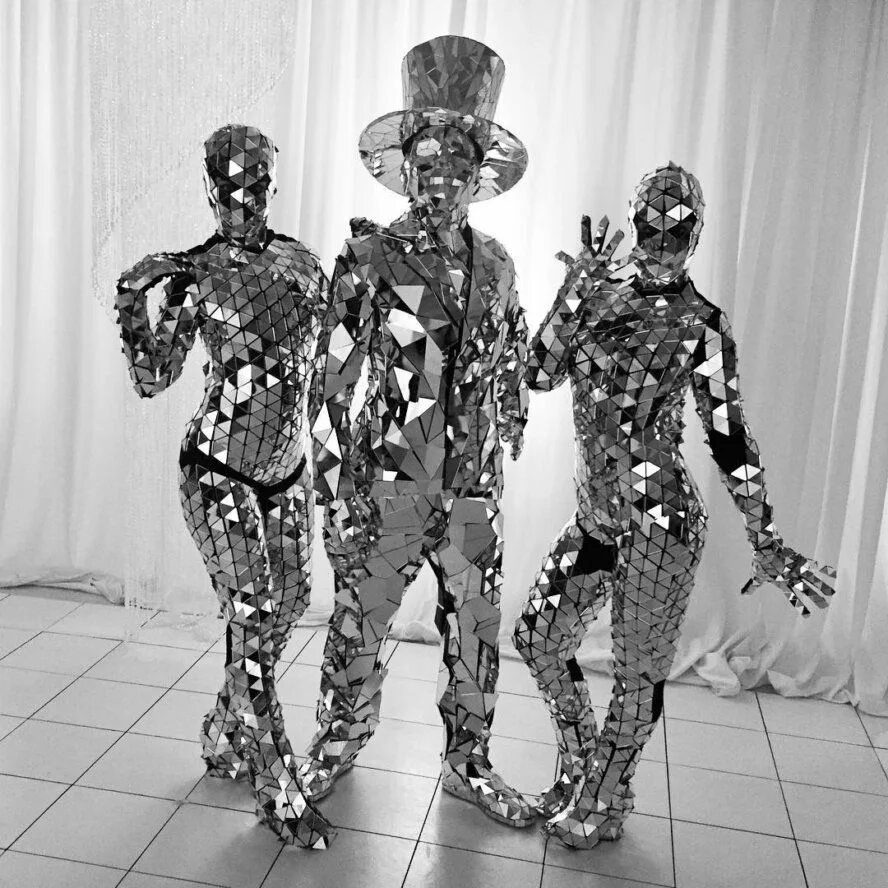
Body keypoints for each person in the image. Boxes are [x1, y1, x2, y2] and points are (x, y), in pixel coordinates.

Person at [513, 162, 836, 848]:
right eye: (650, 227)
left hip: (661, 519)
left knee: (637, 672)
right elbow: (536, 375)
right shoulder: (596, 297)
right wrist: (572, 291)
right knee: (537, 639)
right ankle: (582, 767)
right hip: (597, 515)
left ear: (696, 234)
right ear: (634, 224)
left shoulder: (702, 324)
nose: (661, 243)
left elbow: (728, 436)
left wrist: (766, 537)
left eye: (677, 230)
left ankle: (605, 798)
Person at [302, 35, 534, 827]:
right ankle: (338, 742)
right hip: (391, 481)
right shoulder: (370, 257)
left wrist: (515, 402)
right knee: (359, 624)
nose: (440, 176)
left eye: (457, 161)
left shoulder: (499, 265)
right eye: (426, 160)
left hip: (473, 488)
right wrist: (334, 492)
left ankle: (470, 761)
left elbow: (510, 355)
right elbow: (332, 385)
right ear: (404, 167)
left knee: (476, 627)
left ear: (478, 173)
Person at [114, 124, 333, 848]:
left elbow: (325, 372)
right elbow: (152, 379)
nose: (242, 200)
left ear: (271, 184)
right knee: (253, 607)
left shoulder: (305, 266)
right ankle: (278, 787)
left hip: (287, 470)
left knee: (287, 605)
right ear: (210, 189)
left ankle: (224, 727)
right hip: (216, 468)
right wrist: (131, 296)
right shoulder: (194, 275)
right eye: (228, 186)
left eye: (255, 184)